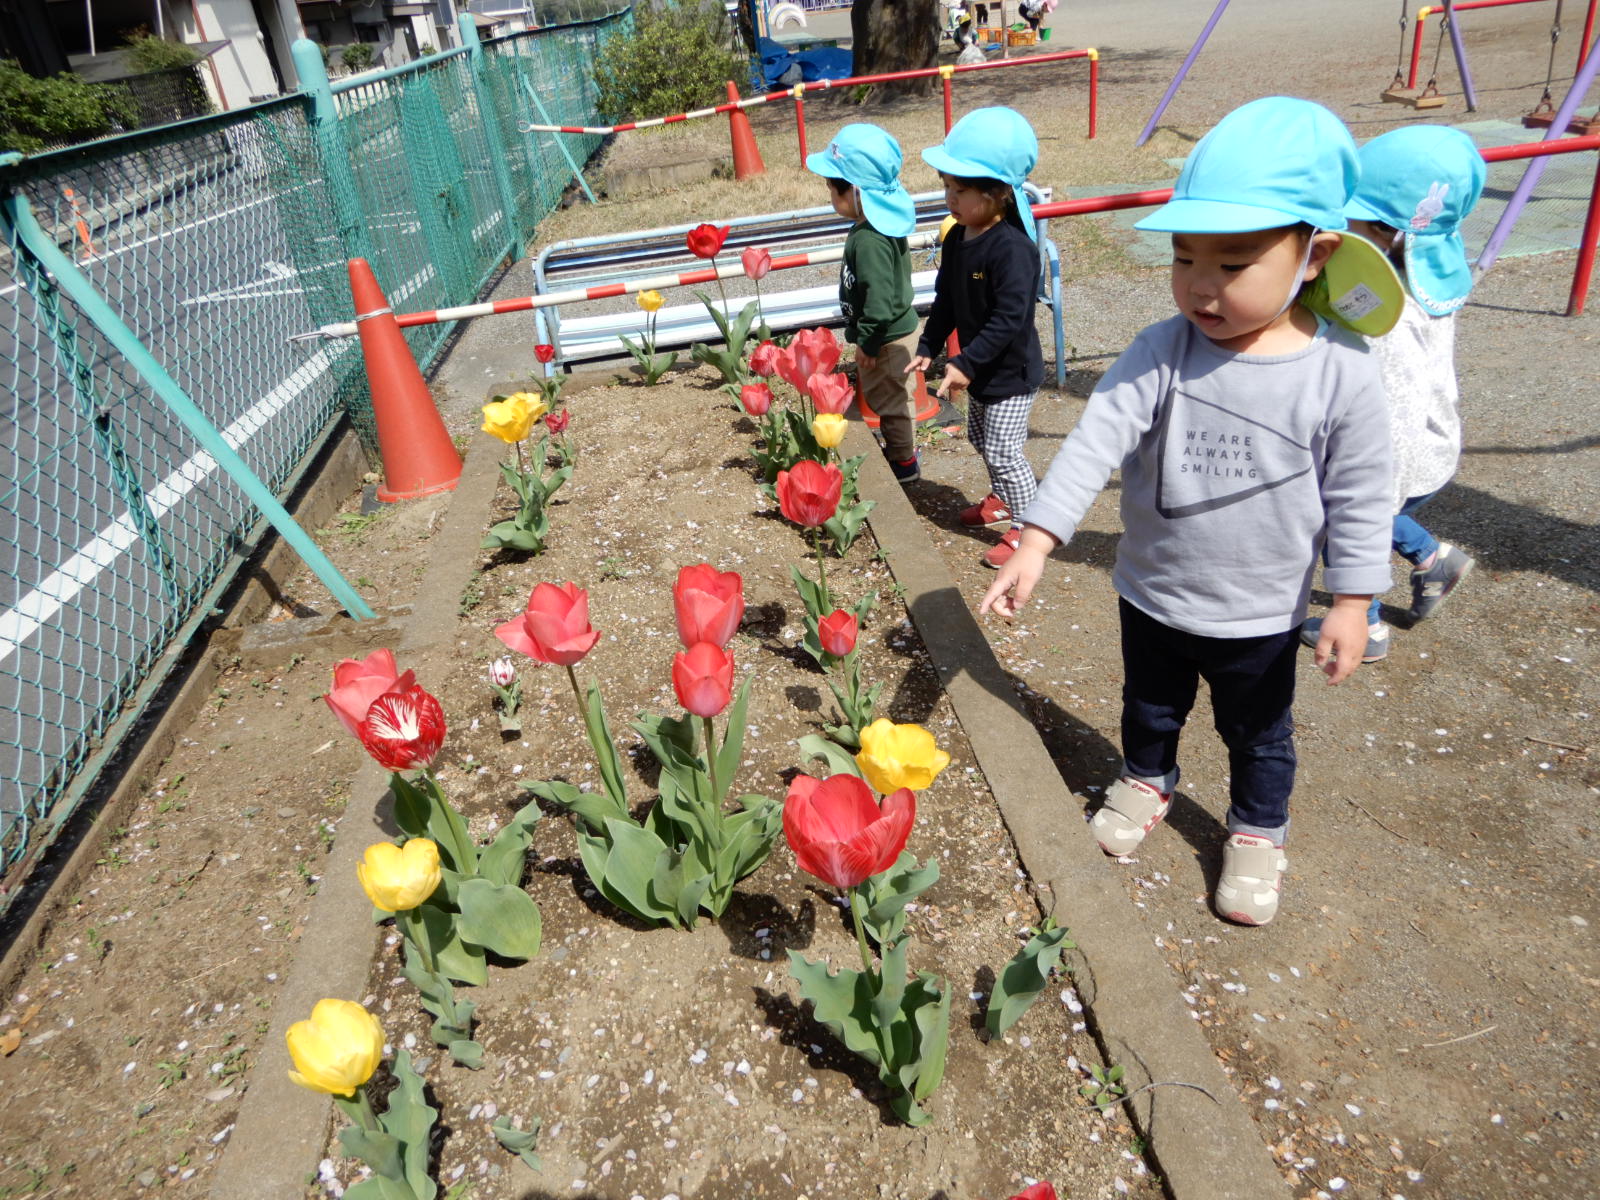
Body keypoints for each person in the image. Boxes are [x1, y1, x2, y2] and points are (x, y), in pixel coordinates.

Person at [979, 97, 1404, 926]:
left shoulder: (1339, 374)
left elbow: (1360, 494)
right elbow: (1096, 439)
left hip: (1260, 613)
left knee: (1259, 734)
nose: (1202, 288)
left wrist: (1353, 601)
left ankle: (1255, 830)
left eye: (1235, 264)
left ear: (1313, 256)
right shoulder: (1160, 350)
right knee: (1150, 704)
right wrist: (1038, 537)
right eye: (1185, 260)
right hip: (1154, 593)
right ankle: (1147, 780)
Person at [1299, 125, 1485, 662]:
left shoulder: (1391, 316)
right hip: (1428, 446)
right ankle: (1433, 560)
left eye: (1348, 217)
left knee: (1348, 518)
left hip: (1397, 455)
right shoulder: (1413, 279)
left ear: (1389, 234)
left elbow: (1398, 413)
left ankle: (1369, 625)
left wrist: (1367, 487)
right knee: (1365, 515)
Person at [907, 106, 1045, 569]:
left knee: (1005, 451)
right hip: (980, 368)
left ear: (999, 193)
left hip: (1010, 372)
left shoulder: (1014, 250)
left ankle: (1028, 526)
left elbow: (1010, 319)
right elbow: (946, 299)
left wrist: (965, 361)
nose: (950, 197)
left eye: (960, 190)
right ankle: (1003, 499)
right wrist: (928, 346)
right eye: (946, 186)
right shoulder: (958, 237)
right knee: (979, 439)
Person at [806, 124, 923, 484]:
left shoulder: (870, 238)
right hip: (888, 334)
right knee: (893, 397)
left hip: (885, 338)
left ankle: (904, 465)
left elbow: (879, 298)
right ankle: (903, 454)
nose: (829, 193)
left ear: (854, 191)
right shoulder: (875, 224)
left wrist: (869, 342)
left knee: (892, 402)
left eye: (831, 186)